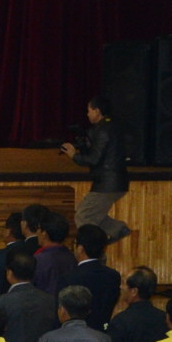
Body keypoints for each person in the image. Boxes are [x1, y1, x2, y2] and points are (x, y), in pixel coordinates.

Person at [62, 94, 131, 241]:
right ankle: (117, 229)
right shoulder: (114, 126)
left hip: (107, 183)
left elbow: (94, 159)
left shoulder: (102, 130)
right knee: (93, 215)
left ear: (97, 111)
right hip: (116, 180)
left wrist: (74, 155)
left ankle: (93, 250)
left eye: (89, 110)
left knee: (84, 215)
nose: (87, 114)